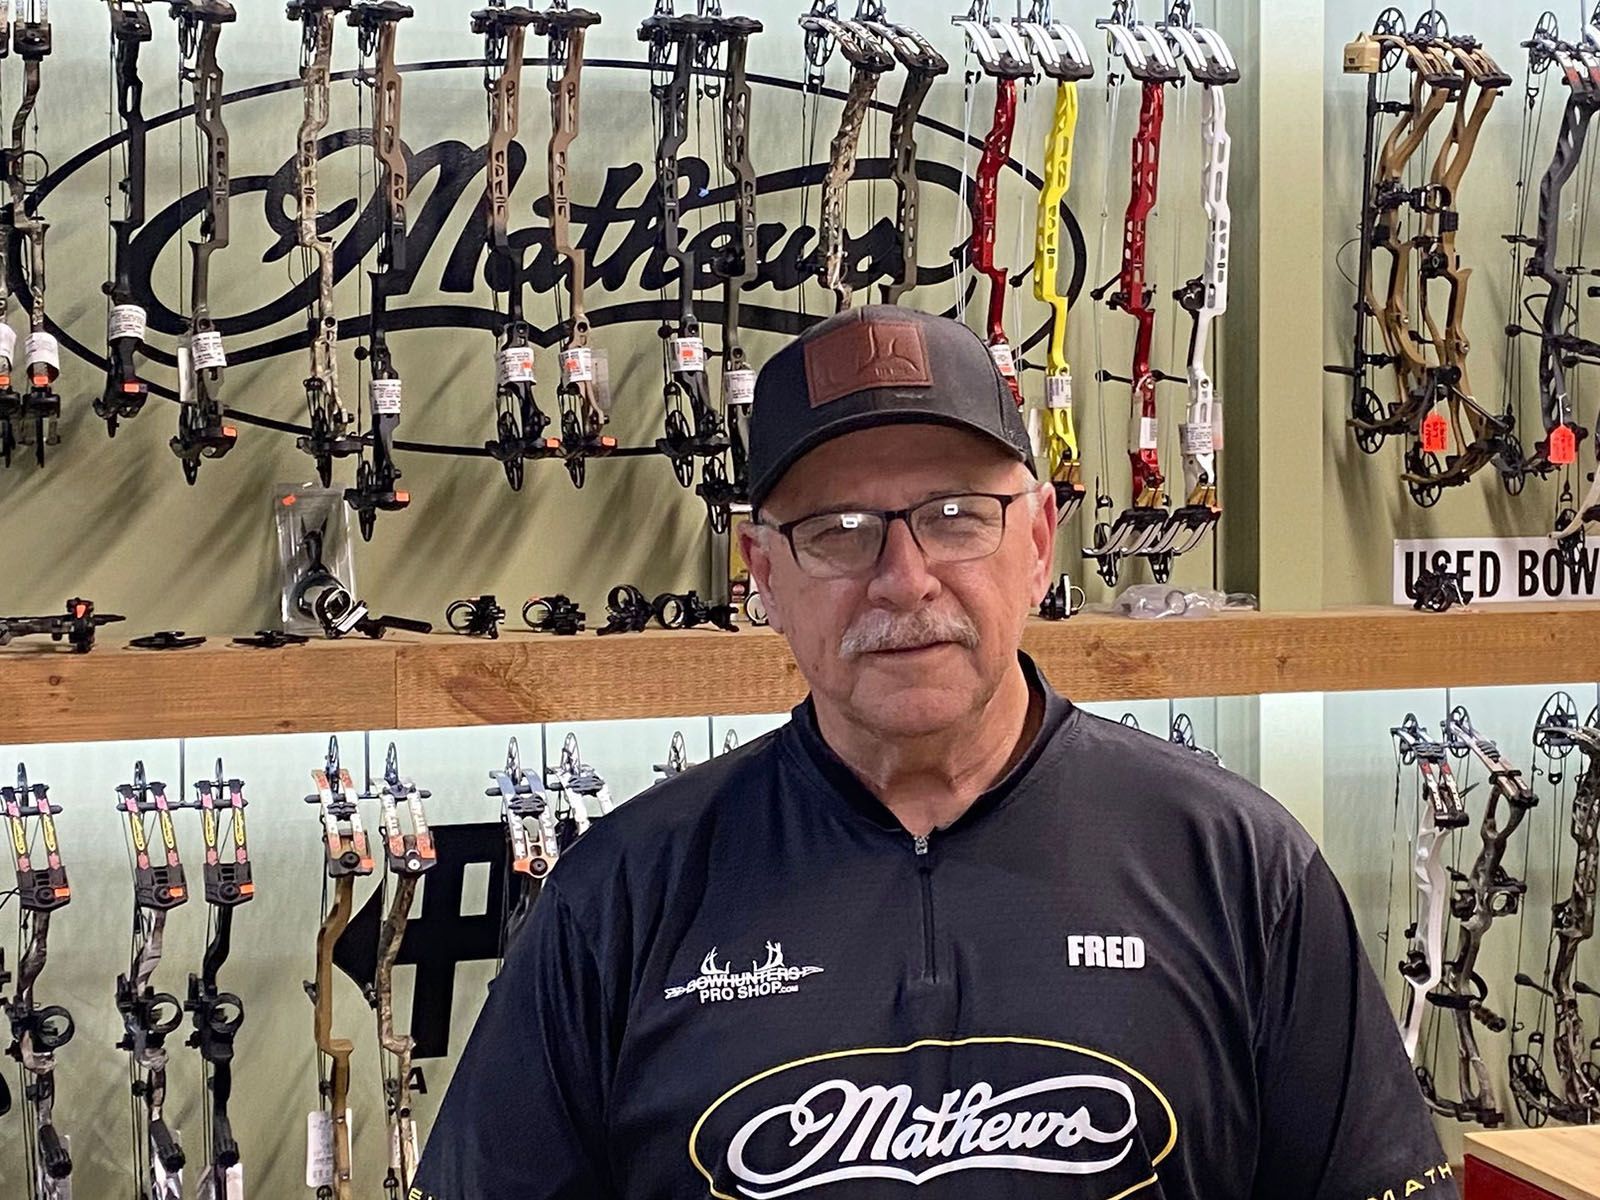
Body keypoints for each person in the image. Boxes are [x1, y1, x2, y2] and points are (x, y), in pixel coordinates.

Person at [412, 306, 1455, 1199]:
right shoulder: (619, 897)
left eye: (957, 517)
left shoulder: (1235, 866)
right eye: (839, 528)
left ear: (1040, 541)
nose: (903, 579)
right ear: (760, 572)